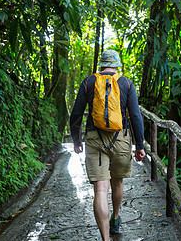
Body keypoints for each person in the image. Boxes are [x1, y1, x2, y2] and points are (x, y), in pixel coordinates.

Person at [70, 49, 146, 240]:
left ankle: (105, 238)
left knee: (100, 190)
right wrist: (140, 145)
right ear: (117, 64)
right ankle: (115, 217)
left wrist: (77, 140)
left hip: (95, 138)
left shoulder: (89, 82)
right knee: (117, 182)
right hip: (120, 139)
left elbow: (76, 114)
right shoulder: (126, 83)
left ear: (101, 64)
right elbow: (135, 116)